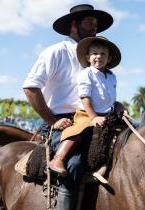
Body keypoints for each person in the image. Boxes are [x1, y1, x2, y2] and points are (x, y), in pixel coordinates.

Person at [22, 4, 113, 210]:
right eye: (89, 23)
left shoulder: (96, 58)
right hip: (62, 123)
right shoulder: (55, 52)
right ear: (74, 25)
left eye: (96, 24)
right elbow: (30, 88)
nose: (94, 28)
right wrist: (52, 121)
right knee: (74, 163)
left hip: (93, 120)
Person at [48, 36, 122, 176]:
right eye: (94, 53)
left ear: (109, 58)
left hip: (108, 115)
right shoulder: (86, 74)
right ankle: (58, 158)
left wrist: (118, 105)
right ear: (88, 57)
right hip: (87, 113)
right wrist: (93, 117)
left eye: (103, 53)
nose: (98, 56)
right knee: (80, 130)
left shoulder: (112, 76)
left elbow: (109, 97)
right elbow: (84, 97)